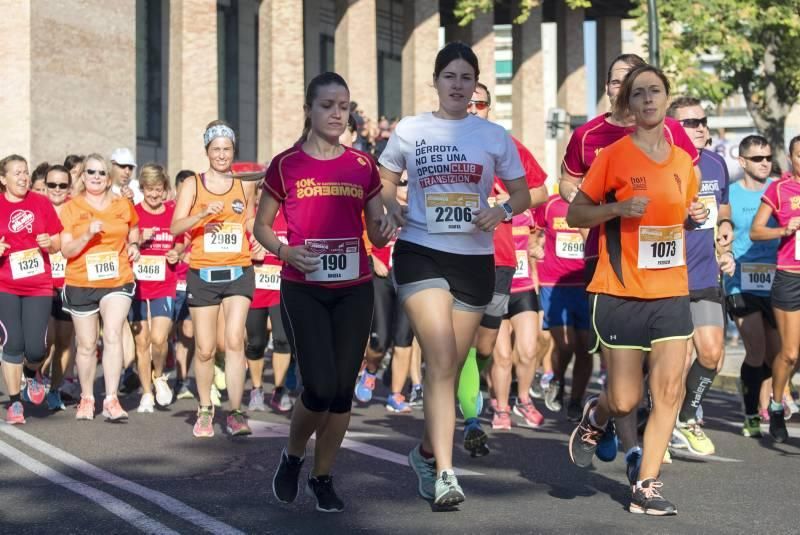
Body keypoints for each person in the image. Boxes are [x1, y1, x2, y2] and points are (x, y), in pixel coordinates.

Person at [379, 42, 530, 508]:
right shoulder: (411, 129)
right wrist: (390, 207)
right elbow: (385, 178)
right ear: (436, 81)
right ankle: (446, 472)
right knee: (441, 354)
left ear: (476, 85)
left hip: (474, 259)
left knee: (449, 365)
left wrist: (500, 210)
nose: (458, 86)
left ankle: (426, 453)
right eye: (450, 77)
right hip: (420, 250)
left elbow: (524, 195)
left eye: (467, 78)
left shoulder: (493, 136)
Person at [566, 65, 707, 516]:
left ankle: (646, 484)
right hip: (620, 290)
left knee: (668, 391)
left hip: (670, 291)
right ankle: (597, 417)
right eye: (639, 93)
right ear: (627, 103)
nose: (648, 100)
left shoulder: (685, 163)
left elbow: (681, 214)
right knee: (625, 398)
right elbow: (576, 214)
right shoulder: (612, 156)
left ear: (668, 99)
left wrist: (698, 215)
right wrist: (618, 207)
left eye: (656, 92)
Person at [255, 72, 391, 513]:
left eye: (343, 105)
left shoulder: (362, 165)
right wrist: (284, 251)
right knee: (318, 384)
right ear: (309, 111)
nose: (337, 113)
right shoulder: (285, 165)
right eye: (327, 105)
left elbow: (376, 230)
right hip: (304, 288)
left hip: (354, 289)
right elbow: (261, 225)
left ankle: (323, 475)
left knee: (341, 393)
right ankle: (293, 456)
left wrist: (384, 230)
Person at [457, 82, 547, 453]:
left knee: (486, 343)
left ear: (489, 109)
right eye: (468, 102)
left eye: (481, 103)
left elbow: (539, 190)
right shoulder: (438, 144)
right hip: (456, 255)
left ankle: (474, 379)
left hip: (501, 258)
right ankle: (470, 418)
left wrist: (505, 206)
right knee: (460, 340)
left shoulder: (505, 144)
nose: (474, 107)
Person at [170, 120, 258, 438]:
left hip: (238, 270)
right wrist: (201, 216)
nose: (221, 154)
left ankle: (235, 412)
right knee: (205, 349)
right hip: (203, 273)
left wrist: (257, 234)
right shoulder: (193, 184)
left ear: (233, 150)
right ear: (207, 151)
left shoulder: (244, 183)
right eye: (215, 149)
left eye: (226, 149)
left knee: (235, 341)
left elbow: (249, 219)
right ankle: (206, 408)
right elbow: (176, 227)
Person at [667, 97, 733, 456]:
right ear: (672, 127)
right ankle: (656, 426)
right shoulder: (662, 164)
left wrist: (724, 226)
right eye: (691, 122)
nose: (701, 127)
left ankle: (685, 417)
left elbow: (722, 205)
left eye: (703, 121)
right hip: (668, 277)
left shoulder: (716, 163)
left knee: (711, 354)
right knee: (672, 362)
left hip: (705, 274)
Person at [59, 153, 140, 421]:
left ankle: (111, 399)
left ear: (109, 177)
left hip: (117, 279)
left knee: (113, 334)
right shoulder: (71, 207)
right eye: (90, 172)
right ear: (82, 177)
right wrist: (87, 234)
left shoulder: (122, 204)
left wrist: (134, 245)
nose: (96, 177)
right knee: (86, 344)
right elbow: (66, 250)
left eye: (101, 173)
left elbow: (134, 229)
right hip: (81, 281)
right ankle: (86, 397)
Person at [0, 155, 63, 424]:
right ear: (3, 179)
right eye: (17, 173)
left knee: (36, 349)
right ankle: (15, 403)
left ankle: (32, 372)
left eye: (25, 172)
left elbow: (58, 241)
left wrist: (50, 242)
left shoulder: (41, 203)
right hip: (5, 284)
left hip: (38, 284)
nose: (23, 177)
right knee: (12, 343)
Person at [723, 135, 780, 437]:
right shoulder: (729, 195)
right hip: (740, 281)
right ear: (743, 161)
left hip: (777, 280)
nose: (765, 163)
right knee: (756, 350)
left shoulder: (779, 190)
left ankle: (769, 403)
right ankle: (751, 413)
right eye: (758, 159)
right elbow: (720, 233)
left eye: (768, 157)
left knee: (781, 354)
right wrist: (725, 255)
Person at [750, 134, 800, 443]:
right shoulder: (779, 189)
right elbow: (756, 231)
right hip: (790, 277)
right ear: (792, 159)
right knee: (791, 353)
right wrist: (784, 229)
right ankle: (777, 404)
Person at [129, 164, 183, 412]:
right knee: (143, 343)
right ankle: (146, 394)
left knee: (160, 339)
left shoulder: (173, 212)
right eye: (149, 190)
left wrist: (176, 251)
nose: (154, 195)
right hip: (138, 286)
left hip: (165, 283)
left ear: (165, 190)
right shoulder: (133, 213)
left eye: (158, 190)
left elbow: (183, 238)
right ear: (142, 189)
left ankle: (158, 375)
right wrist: (137, 240)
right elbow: (121, 243)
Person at [535, 193, 592, 421]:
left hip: (586, 283)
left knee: (585, 348)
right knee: (566, 344)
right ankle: (557, 379)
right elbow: (534, 232)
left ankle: (576, 401)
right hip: (554, 283)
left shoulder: (595, 204)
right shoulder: (550, 204)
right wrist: (534, 250)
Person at [494, 208, 545, 428]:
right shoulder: (487, 204)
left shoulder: (526, 211)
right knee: (503, 356)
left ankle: (523, 400)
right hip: (494, 287)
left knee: (529, 351)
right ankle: (502, 408)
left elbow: (530, 244)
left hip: (523, 288)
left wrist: (534, 269)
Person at [245, 193, 293, 413]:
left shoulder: (290, 217)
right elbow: (233, 253)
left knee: (283, 340)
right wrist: (251, 254)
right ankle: (256, 389)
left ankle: (279, 389)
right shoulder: (250, 218)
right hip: (255, 288)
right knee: (255, 343)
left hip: (281, 287)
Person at [43, 164, 75, 411]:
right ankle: (32, 375)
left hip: (69, 283)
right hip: (39, 283)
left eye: (62, 185)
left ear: (69, 187)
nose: (57, 189)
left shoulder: (76, 210)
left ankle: (54, 390)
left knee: (64, 341)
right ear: (44, 186)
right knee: (45, 340)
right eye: (52, 185)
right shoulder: (34, 208)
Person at [171, 169, 196, 401]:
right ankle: (155, 376)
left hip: (191, 283)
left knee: (188, 333)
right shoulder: (169, 212)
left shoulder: (200, 212)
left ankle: (181, 380)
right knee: (163, 335)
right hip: (167, 284)